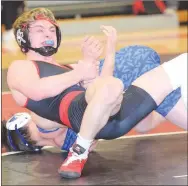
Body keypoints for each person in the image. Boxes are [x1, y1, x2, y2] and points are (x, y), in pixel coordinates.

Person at [6, 7, 187, 178]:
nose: (47, 34)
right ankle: (79, 152)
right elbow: (38, 91)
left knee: (175, 65)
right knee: (125, 72)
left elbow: (102, 84)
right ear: (23, 38)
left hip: (113, 112)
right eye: (39, 30)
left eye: (52, 30)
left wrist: (107, 50)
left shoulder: (68, 70)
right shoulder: (21, 68)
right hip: (89, 114)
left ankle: (85, 146)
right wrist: (81, 71)